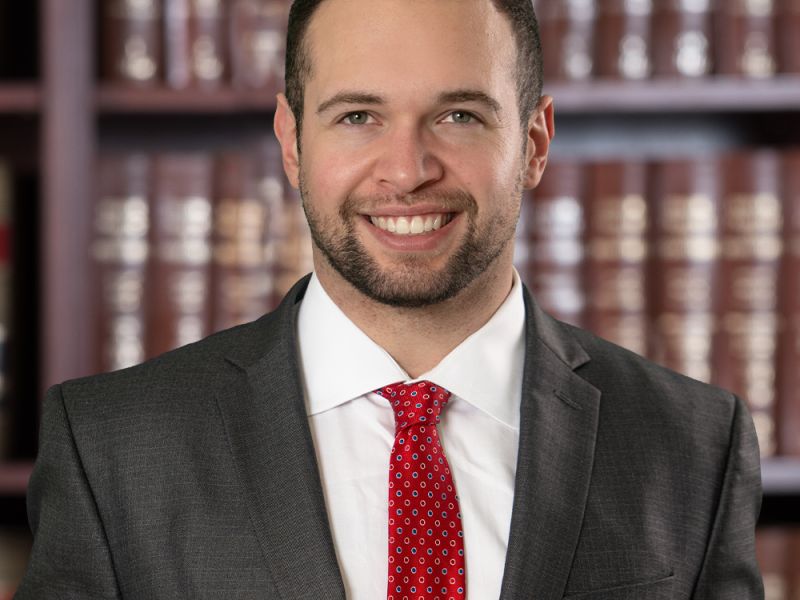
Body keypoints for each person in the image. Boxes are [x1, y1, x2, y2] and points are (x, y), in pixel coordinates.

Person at [18, 0, 763, 598]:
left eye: (459, 115)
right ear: (291, 142)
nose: (406, 172)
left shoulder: (693, 443)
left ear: (535, 142)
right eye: (358, 117)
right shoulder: (111, 447)